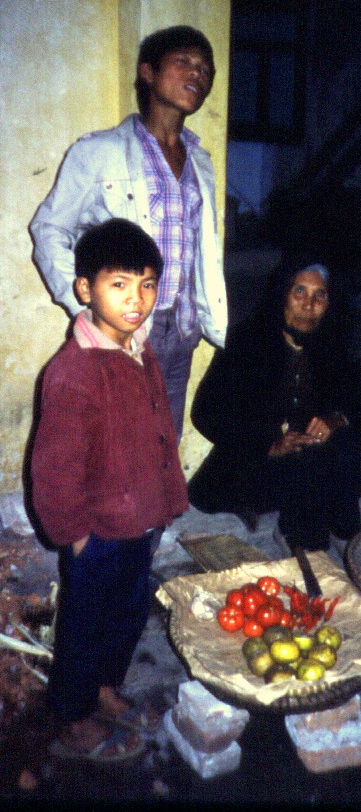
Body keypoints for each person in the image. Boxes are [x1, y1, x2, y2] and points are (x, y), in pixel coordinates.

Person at [31, 219, 189, 762]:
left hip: (140, 525)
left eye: (147, 284)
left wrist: (167, 502)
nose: (136, 299)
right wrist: (72, 536)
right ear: (85, 289)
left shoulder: (140, 354)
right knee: (82, 627)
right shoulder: (73, 372)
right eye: (119, 284)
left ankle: (104, 690)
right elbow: (53, 471)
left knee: (126, 616)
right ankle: (73, 718)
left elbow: (159, 434)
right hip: (96, 533)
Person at [30, 25, 227, 438]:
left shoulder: (200, 159)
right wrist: (85, 303)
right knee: (116, 449)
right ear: (148, 73)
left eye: (206, 69)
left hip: (183, 329)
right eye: (184, 62)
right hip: (123, 330)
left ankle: (161, 507)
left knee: (162, 444)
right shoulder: (100, 152)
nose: (198, 74)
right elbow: (49, 227)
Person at [189, 260, 361, 555]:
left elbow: (360, 405)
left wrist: (334, 420)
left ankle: (349, 538)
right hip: (255, 459)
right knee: (308, 467)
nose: (309, 304)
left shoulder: (334, 342)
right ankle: (305, 546)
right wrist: (270, 443)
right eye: (299, 291)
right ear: (282, 295)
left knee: (346, 453)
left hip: (312, 453)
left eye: (319, 295)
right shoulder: (248, 341)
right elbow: (206, 413)